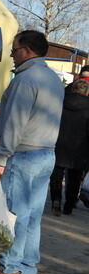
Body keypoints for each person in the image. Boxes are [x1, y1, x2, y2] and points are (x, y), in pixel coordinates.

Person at [0, 30, 63, 274]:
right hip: (45, 152)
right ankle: (27, 270)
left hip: (22, 154)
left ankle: (8, 269)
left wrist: (0, 156)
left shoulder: (25, 79)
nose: (11, 55)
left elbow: (16, 122)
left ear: (27, 50)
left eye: (14, 50)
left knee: (13, 215)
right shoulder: (51, 78)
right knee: (32, 217)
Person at [49, 79, 89, 215]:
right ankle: (69, 205)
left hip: (59, 143)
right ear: (86, 92)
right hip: (80, 148)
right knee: (75, 179)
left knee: (56, 175)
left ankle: (56, 199)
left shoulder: (60, 103)